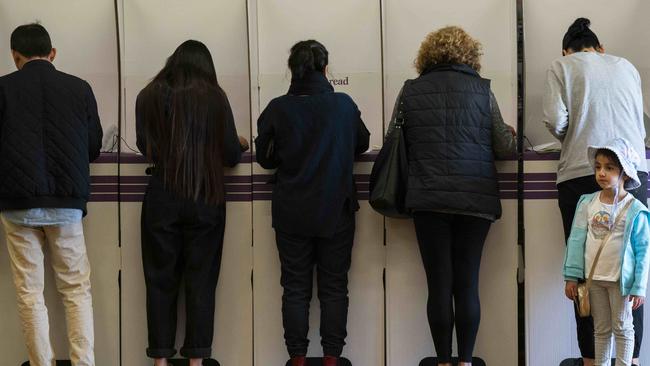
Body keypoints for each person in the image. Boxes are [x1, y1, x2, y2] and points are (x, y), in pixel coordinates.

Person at [387, 26, 516, 366]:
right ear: (470, 55)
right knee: (467, 284)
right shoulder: (482, 90)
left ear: (427, 56)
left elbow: (393, 140)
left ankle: (443, 361)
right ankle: (466, 361)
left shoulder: (410, 91)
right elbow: (504, 146)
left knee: (439, 285)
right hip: (475, 199)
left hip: (428, 199)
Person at [255, 39, 370, 366]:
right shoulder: (344, 105)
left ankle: (298, 359)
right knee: (334, 288)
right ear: (325, 69)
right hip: (337, 210)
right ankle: (332, 358)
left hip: (292, 211)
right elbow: (361, 144)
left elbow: (265, 158)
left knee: (295, 289)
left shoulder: (278, 107)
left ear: (292, 70)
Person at [135, 40, 247, 366]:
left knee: (159, 281)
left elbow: (146, 147)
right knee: (201, 282)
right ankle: (197, 361)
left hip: (161, 196)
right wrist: (238, 142)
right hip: (205, 196)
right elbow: (229, 153)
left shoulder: (149, 95)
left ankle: (160, 360)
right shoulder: (214, 97)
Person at [543, 18, 647, 366]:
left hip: (582, 172)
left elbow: (555, 120)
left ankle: (592, 360)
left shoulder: (561, 65)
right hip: (634, 175)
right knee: (631, 272)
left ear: (566, 50)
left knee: (586, 274)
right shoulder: (627, 67)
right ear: (600, 48)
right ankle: (630, 361)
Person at [0, 23, 103, 366]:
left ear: (15, 57)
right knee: (75, 291)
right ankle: (83, 362)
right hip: (67, 205)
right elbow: (93, 147)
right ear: (53, 53)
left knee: (30, 294)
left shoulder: (2, 89)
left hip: (17, 206)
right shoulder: (79, 88)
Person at [564, 138, 650, 366]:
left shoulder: (635, 209)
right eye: (598, 167)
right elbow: (576, 240)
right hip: (595, 280)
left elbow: (644, 251)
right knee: (601, 330)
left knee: (623, 328)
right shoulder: (587, 203)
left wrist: (639, 286)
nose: (601, 173)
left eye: (609, 167)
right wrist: (571, 276)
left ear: (625, 173)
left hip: (620, 282)